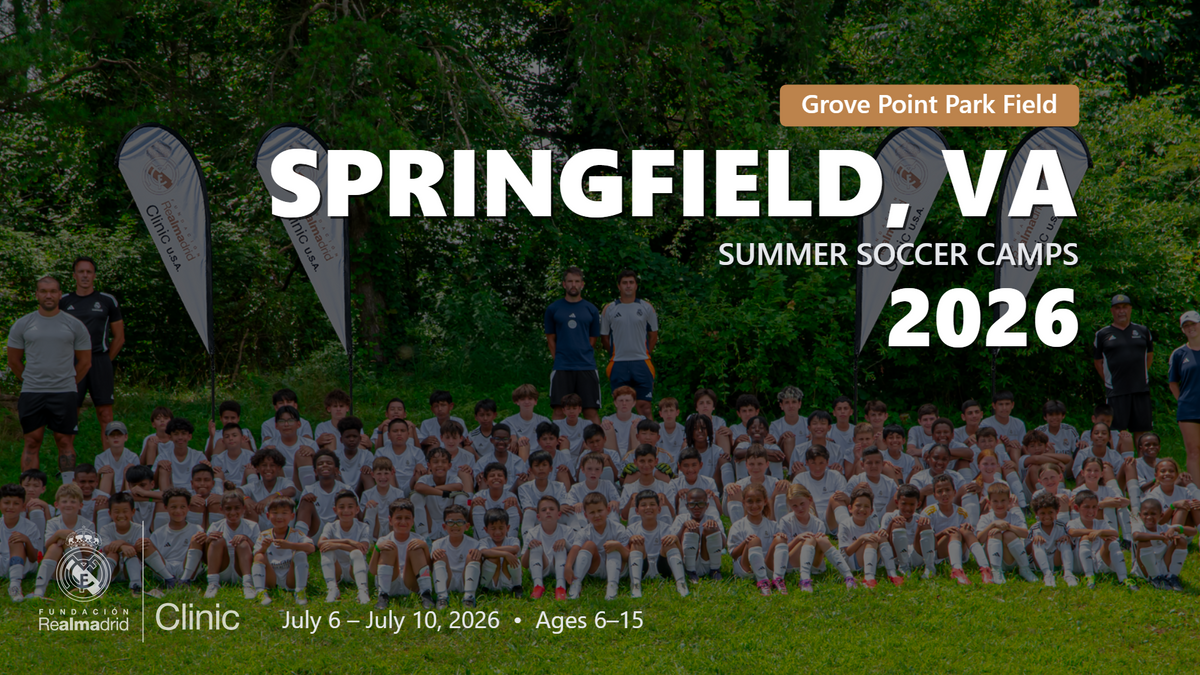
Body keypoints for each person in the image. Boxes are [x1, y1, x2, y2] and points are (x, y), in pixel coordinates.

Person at [6, 276, 91, 480]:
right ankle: (29, 493)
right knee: (32, 441)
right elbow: (13, 361)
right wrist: (31, 380)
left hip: (65, 392)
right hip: (32, 392)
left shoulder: (74, 325)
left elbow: (85, 362)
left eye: (53, 291)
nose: (48, 295)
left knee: (64, 441)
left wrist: (67, 382)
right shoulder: (23, 324)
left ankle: (68, 492)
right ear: (37, 294)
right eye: (43, 291)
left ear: (60, 294)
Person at [59, 257, 124, 432]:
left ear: (94, 275)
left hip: (99, 360)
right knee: (70, 413)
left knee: (105, 414)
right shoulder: (63, 301)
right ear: (74, 276)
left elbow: (119, 338)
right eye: (81, 272)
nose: (85, 276)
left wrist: (104, 360)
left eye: (89, 272)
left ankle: (109, 459)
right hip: (72, 362)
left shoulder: (107, 300)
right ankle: (68, 458)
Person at [1093, 294, 1154, 442]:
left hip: (1140, 388)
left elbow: (1149, 356)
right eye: (1117, 308)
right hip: (1116, 390)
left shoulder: (1143, 331)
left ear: (1130, 309)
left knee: (1141, 431)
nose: (1121, 311)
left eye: (1125, 307)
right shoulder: (1102, 334)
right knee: (1118, 432)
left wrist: (1140, 375)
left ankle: (1140, 464)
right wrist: (1109, 380)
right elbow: (1098, 362)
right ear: (1112, 311)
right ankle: (1120, 463)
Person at [545, 266, 603, 422]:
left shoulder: (591, 309)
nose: (573, 285)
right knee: (559, 410)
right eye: (570, 281)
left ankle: (596, 446)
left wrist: (582, 353)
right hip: (562, 367)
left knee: (590, 412)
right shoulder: (553, 309)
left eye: (577, 281)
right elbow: (550, 338)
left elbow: (592, 339)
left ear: (582, 284)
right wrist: (558, 358)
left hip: (586, 366)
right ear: (564, 284)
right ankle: (554, 446)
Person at [600, 269, 659, 418]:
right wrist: (614, 352)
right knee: (622, 407)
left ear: (636, 286)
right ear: (619, 286)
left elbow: (653, 335)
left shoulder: (646, 307)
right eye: (624, 283)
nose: (628, 286)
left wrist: (645, 352)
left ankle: (649, 441)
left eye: (631, 282)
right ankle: (621, 440)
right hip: (618, 362)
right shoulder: (610, 309)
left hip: (642, 361)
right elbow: (604, 337)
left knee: (644, 407)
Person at [370, 498, 435, 610]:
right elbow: (372, 571)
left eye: (407, 518)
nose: (403, 522)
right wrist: (377, 548)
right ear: (390, 520)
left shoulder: (419, 539)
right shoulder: (383, 540)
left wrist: (424, 547)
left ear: (413, 520)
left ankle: (426, 594)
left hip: (411, 582)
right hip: (390, 583)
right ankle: (383, 596)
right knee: (389, 547)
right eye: (398, 518)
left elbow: (429, 569)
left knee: (415, 547)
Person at [251, 496, 315, 606]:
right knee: (259, 556)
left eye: (284, 513)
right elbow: (256, 555)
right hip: (271, 577)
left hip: (290, 576)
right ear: (268, 515)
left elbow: (311, 548)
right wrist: (264, 548)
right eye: (275, 513)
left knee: (300, 554)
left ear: (292, 516)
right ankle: (260, 591)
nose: (279, 517)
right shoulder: (264, 535)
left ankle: (300, 591)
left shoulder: (296, 533)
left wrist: (289, 545)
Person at [316, 489, 372, 604]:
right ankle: (332, 588)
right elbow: (321, 543)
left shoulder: (363, 527)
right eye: (341, 507)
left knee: (356, 553)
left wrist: (336, 544)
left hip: (355, 569)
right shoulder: (330, 526)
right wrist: (348, 541)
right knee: (326, 550)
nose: (346, 510)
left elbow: (363, 549)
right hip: (337, 569)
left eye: (350, 506)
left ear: (357, 509)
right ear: (335, 510)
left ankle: (362, 590)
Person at [431, 504, 483, 609]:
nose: (455, 526)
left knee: (473, 555)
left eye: (459, 522)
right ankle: (442, 597)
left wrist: (478, 554)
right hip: (447, 579)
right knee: (439, 554)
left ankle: (469, 596)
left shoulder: (474, 543)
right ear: (444, 526)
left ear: (467, 526)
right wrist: (434, 555)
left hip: (466, 579)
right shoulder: (437, 544)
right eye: (450, 522)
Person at [1168, 310, 1200, 480]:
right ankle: (1197, 495)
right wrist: (1183, 401)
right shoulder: (1179, 354)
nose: (1190, 328)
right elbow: (1173, 383)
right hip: (1188, 410)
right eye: (1186, 326)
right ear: (1182, 330)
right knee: (1194, 451)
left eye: (1193, 324)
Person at [521, 495, 573, 600]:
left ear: (559, 514)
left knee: (560, 546)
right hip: (541, 566)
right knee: (536, 546)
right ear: (538, 517)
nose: (548, 512)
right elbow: (524, 564)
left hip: (559, 564)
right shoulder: (532, 533)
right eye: (544, 510)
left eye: (551, 509)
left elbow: (574, 554)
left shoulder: (567, 531)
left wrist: (566, 543)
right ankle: (538, 585)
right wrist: (529, 548)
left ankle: (560, 586)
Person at [0, 483, 42, 602]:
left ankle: (15, 586)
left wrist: (26, 541)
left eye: (16, 503)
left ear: (23, 507)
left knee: (16, 540)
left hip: (24, 565)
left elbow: (34, 558)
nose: (11, 507)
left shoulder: (30, 527)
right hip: (3, 563)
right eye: (6, 503)